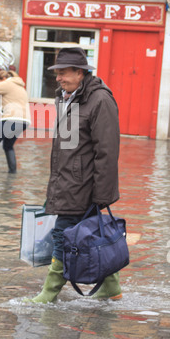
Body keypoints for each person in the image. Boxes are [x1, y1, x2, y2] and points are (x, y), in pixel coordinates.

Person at [28, 47, 121, 303]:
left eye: (63, 73)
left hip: (84, 184)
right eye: (56, 73)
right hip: (67, 182)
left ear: (80, 73)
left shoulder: (100, 100)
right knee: (90, 233)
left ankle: (49, 292)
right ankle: (112, 287)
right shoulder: (65, 97)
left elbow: (107, 151)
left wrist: (101, 193)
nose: (57, 78)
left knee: (63, 234)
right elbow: (67, 147)